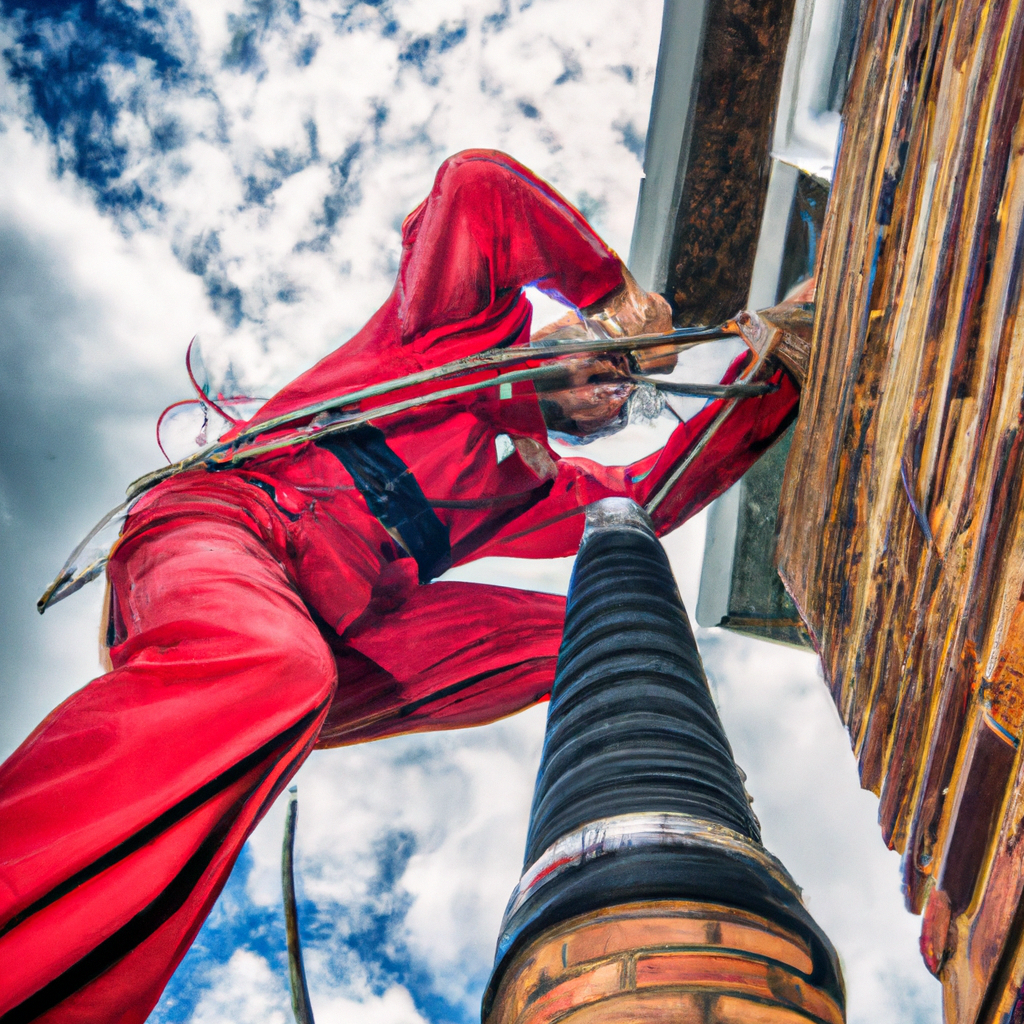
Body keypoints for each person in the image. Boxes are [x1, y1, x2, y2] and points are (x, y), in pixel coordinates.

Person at [0, 150, 799, 1024]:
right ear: (557, 339)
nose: (609, 385)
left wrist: (778, 374)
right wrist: (607, 290)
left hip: (350, 627)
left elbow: (652, 494)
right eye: (605, 361)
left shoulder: (535, 479)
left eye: (622, 387)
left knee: (597, 636)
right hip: (232, 530)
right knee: (270, 668)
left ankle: (664, 815)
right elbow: (477, 189)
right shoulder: (449, 336)